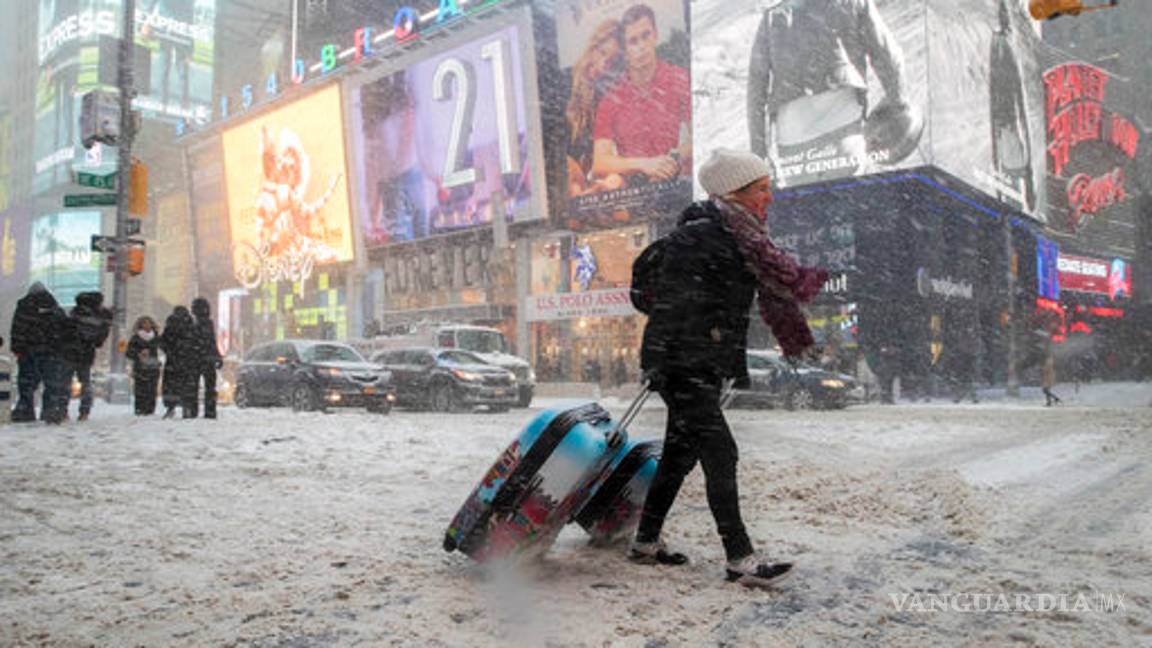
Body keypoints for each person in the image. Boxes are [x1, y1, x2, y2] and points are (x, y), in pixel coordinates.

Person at [630, 148, 827, 588]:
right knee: (721, 451)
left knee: (680, 454)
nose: (769, 198)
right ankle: (739, 558)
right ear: (735, 193)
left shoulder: (737, 236)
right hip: (684, 363)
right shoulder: (702, 236)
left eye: (769, 188)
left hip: (697, 361)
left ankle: (645, 542)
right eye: (761, 189)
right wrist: (667, 362)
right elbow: (672, 305)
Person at [747, 0, 921, 186]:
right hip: (843, 132)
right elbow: (889, 57)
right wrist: (898, 104)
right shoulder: (852, 3)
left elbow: (756, 93)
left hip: (793, 143)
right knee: (850, 206)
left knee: (809, 207)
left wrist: (760, 156)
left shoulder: (773, 17)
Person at [590, 4, 691, 187]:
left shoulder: (678, 78)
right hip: (632, 190)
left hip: (672, 178)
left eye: (646, 35)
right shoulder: (611, 97)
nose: (642, 46)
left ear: (656, 35)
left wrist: (674, 158)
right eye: (633, 41)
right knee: (612, 183)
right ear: (625, 49)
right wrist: (645, 165)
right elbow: (600, 162)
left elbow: (697, 136)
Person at [566, 19, 625, 197]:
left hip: (586, 190)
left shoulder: (605, 98)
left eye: (611, 62)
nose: (602, 65)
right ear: (593, 46)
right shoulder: (563, 84)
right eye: (602, 53)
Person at [9, 282, 70, 424]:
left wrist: (17, 348)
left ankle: (25, 410)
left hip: (28, 351)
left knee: (27, 383)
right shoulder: (55, 308)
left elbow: (17, 329)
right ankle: (50, 411)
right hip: (50, 351)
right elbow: (65, 330)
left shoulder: (24, 307)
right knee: (51, 383)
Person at [60, 291, 112, 422]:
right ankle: (84, 411)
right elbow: (99, 340)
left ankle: (62, 410)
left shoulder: (74, 313)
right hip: (86, 354)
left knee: (65, 383)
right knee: (86, 383)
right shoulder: (98, 317)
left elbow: (64, 332)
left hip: (69, 353)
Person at [160, 306, 197, 419]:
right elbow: (196, 342)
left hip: (173, 362)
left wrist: (170, 352)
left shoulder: (170, 325)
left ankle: (171, 408)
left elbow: (163, 342)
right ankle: (186, 408)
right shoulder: (190, 325)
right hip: (187, 362)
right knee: (186, 386)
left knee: (171, 386)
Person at [189, 298, 223, 419]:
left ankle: (193, 411)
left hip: (196, 359)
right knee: (209, 387)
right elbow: (211, 342)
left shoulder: (192, 323)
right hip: (207, 359)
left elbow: (209, 341)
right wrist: (217, 356)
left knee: (194, 386)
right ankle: (210, 411)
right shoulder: (207, 323)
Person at [125, 316, 162, 416]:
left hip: (153, 367)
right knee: (140, 389)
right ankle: (140, 409)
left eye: (148, 323)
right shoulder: (135, 338)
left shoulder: (156, 337)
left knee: (152, 389)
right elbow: (128, 352)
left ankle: (150, 409)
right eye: (144, 323)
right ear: (140, 325)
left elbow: (163, 349)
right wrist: (138, 353)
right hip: (140, 367)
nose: (147, 325)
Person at [1042, 341, 1062, 406]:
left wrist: (1044, 369)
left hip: (1048, 378)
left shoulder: (1049, 360)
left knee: (1045, 390)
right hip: (1048, 378)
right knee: (1046, 391)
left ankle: (1055, 399)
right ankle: (1049, 402)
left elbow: (1047, 369)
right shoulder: (1049, 360)